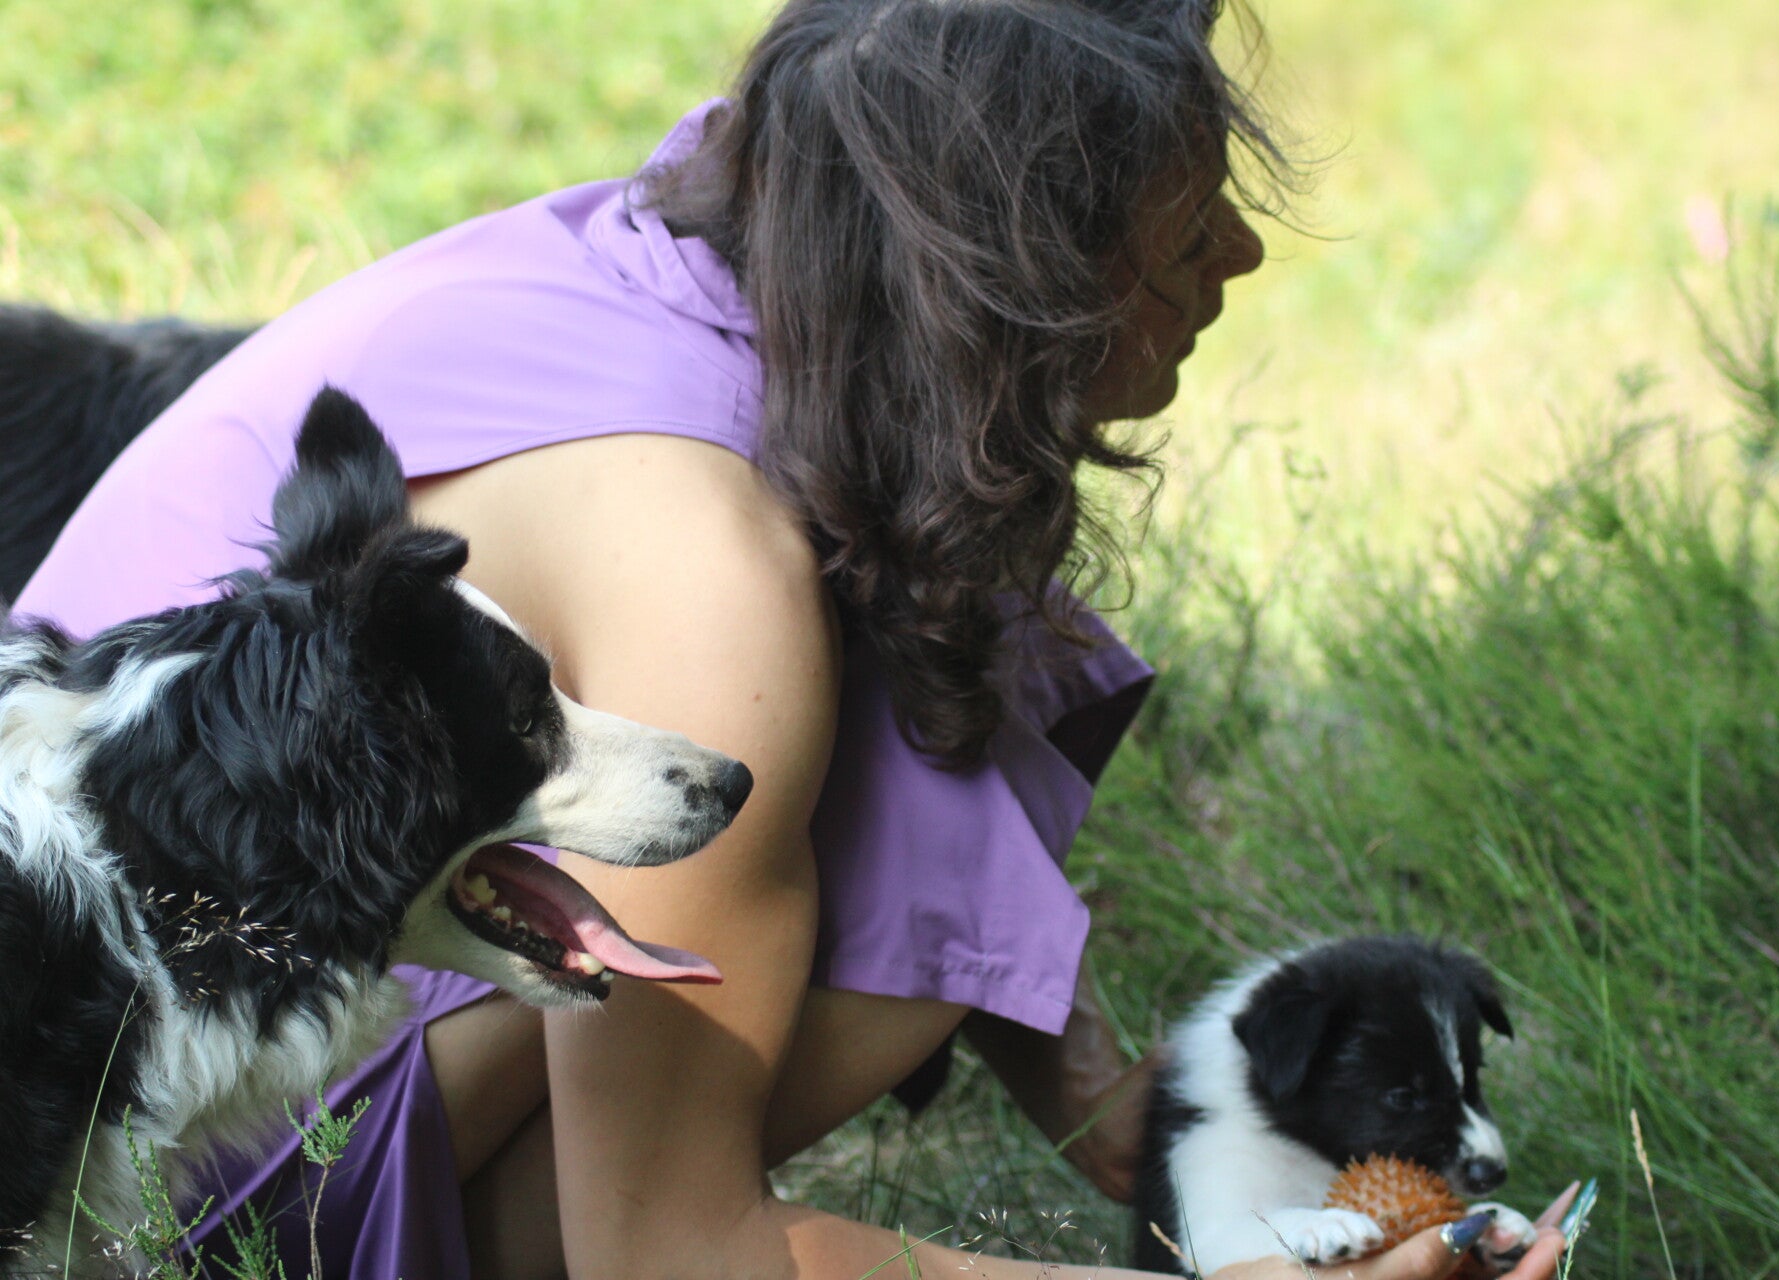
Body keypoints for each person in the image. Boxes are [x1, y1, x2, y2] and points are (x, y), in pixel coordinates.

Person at [15, 1, 1573, 1277]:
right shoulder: (709, 583)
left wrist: (1107, 1105)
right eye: (1182, 224)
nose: (1237, 253)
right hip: (152, 1152)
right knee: (857, 888)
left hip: (126, 952)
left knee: (896, 799)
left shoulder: (729, 254)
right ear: (1016, 268)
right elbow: (672, 1257)